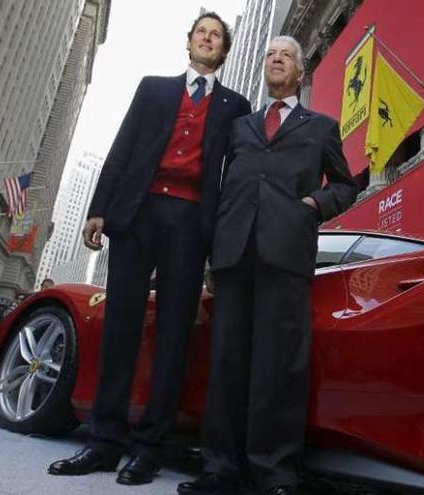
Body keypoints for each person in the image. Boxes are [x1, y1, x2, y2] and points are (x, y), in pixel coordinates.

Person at [48, 12, 252, 486]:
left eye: (216, 35)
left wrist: (220, 242)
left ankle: (149, 448)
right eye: (201, 31)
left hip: (189, 223)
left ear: (222, 51)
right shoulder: (153, 88)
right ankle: (103, 441)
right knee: (120, 326)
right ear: (189, 42)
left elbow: (234, 176)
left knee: (174, 336)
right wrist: (99, 207)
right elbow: (123, 146)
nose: (207, 38)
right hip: (136, 214)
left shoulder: (235, 105)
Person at [179, 36, 357, 495]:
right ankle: (219, 466)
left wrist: (312, 205)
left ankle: (274, 473)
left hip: (286, 253)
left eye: (286, 56)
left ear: (300, 72)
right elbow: (218, 188)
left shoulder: (321, 127)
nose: (276, 59)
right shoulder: (241, 126)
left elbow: (344, 185)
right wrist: (213, 251)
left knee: (278, 367)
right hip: (234, 254)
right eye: (269, 54)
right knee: (226, 361)